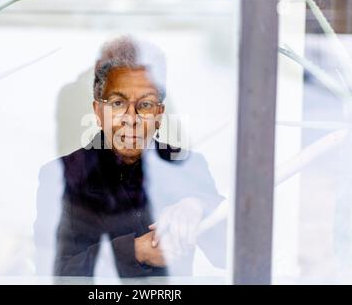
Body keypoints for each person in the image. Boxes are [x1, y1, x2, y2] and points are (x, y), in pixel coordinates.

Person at [34, 36, 226, 278]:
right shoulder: (60, 174)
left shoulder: (188, 166)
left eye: (145, 105)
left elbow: (229, 255)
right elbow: (55, 273)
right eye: (117, 103)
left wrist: (199, 206)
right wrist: (134, 251)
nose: (131, 118)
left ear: (159, 113)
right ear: (98, 111)